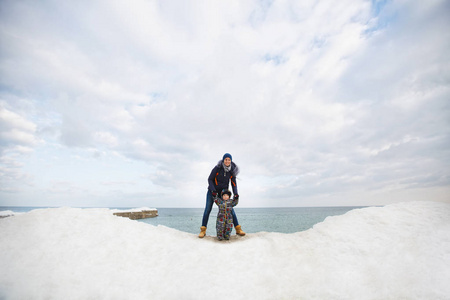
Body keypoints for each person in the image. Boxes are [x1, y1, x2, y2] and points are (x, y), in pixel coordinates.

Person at [198, 153, 246, 238]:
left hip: (223, 194)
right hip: (212, 192)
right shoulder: (217, 168)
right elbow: (210, 179)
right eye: (226, 159)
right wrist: (213, 190)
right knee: (207, 210)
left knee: (230, 209)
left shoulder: (232, 171)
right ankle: (203, 230)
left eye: (229, 160)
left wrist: (236, 194)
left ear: (231, 161)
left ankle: (238, 229)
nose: (227, 161)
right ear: (223, 160)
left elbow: (234, 183)